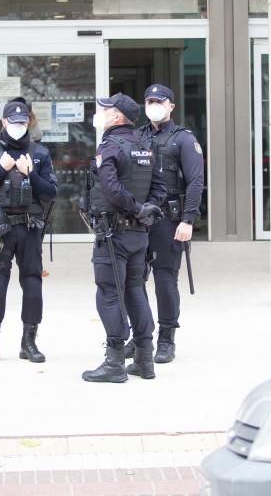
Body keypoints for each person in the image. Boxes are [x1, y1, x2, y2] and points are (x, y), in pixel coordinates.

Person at [81, 93, 166, 383]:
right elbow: (159, 186)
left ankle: (115, 362)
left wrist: (137, 208)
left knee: (109, 292)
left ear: (117, 117)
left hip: (113, 233)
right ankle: (144, 360)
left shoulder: (110, 147)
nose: (100, 114)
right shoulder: (145, 146)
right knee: (136, 290)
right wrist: (146, 210)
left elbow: (111, 189)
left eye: (105, 110)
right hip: (138, 234)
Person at [0, 101, 57, 364]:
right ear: (4, 122)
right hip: (1, 227)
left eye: (23, 122)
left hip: (30, 227)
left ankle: (29, 341)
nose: (18, 127)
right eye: (13, 122)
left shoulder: (39, 153)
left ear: (27, 123)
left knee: (32, 282)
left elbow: (51, 192)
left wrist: (30, 173)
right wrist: (1, 169)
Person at [133, 84, 204, 363]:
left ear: (171, 106)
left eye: (159, 101)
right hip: (139, 217)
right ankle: (140, 336)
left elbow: (196, 181)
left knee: (164, 279)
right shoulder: (137, 136)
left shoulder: (183, 139)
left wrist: (188, 219)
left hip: (168, 218)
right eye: (149, 100)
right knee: (134, 279)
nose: (153, 104)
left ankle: (166, 339)